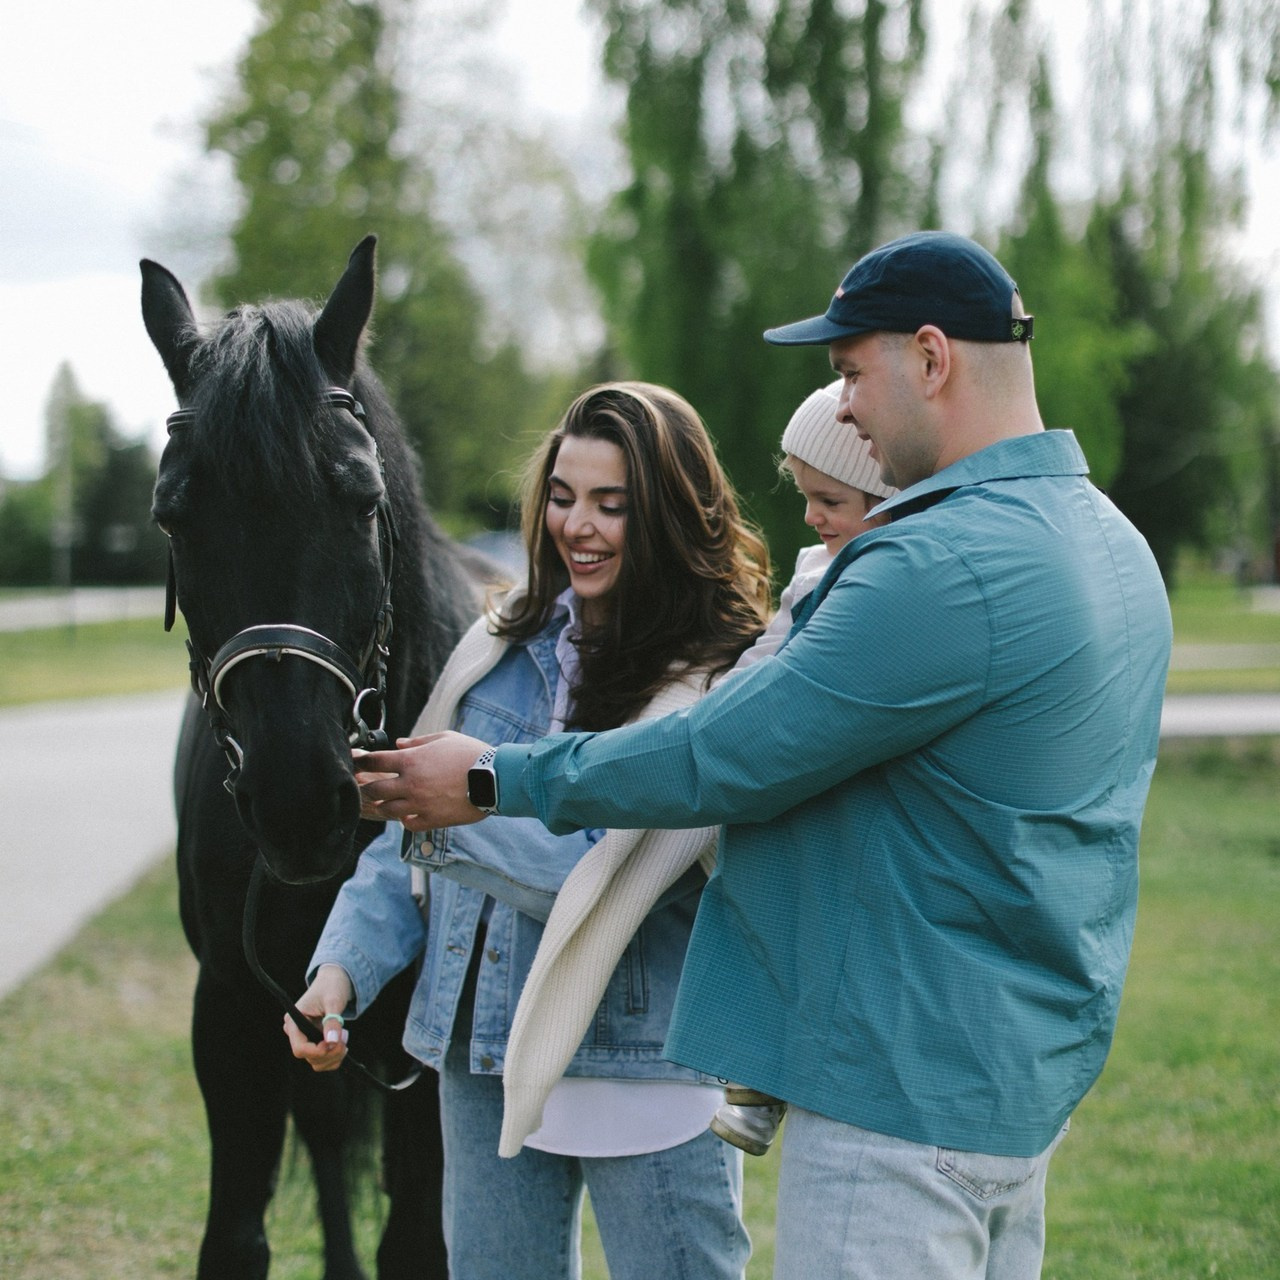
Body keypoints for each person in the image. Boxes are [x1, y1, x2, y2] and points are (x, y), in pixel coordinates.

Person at [354, 231, 1174, 1280]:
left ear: (930, 359)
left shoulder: (936, 562)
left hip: (893, 1109)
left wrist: (486, 777)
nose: (841, 411)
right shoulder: (1106, 541)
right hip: (1009, 1092)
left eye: (845, 373)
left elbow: (718, 754)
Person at [284, 381, 768, 1280]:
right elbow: (408, 845)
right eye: (561, 496)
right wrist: (338, 974)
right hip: (483, 1056)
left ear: (666, 515)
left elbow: (595, 869)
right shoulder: (498, 646)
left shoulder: (719, 680)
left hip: (643, 1065)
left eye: (611, 504)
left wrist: (462, 799)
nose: (576, 525)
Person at [711, 380, 898, 1156]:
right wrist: (725, 697)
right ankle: (751, 1078)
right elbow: (770, 647)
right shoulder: (814, 568)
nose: (814, 517)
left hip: (833, 782)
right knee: (748, 895)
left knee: (795, 910)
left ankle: (762, 1080)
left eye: (831, 501)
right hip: (785, 759)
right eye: (806, 498)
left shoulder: (883, 577)